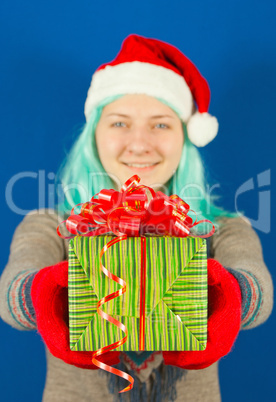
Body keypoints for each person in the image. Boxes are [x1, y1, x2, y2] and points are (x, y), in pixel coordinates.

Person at [0, 34, 273, 402]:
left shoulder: (223, 230)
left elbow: (258, 292)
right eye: (119, 123)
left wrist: (223, 294)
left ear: (184, 138)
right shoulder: (50, 225)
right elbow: (12, 297)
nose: (140, 143)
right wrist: (52, 294)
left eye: (161, 124)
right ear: (94, 135)